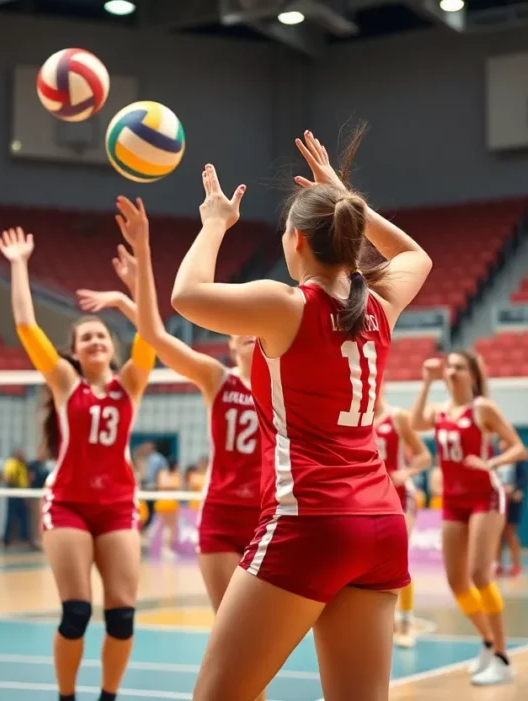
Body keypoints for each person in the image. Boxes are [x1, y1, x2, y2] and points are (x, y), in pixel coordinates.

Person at [174, 128, 432, 701]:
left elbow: (186, 295)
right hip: (380, 524)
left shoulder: (286, 305)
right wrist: (346, 197)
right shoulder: (382, 303)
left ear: (295, 241)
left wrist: (214, 220)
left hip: (310, 519)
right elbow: (416, 255)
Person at [76, 198, 263, 651]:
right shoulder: (217, 377)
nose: (248, 339)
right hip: (220, 518)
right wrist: (137, 268)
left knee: (262, 642)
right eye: (239, 336)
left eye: (255, 333)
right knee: (235, 639)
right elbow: (156, 336)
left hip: (269, 517)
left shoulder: (285, 382)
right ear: (230, 348)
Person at [0, 224, 156, 701]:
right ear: (74, 350)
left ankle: (108, 696)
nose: (94, 342)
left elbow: (151, 330)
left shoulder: (132, 381)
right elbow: (27, 327)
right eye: (85, 337)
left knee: (123, 616)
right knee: (76, 613)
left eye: (101, 335)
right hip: (67, 503)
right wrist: (20, 264)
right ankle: (66, 697)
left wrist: (133, 291)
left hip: (118, 506)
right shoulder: (66, 383)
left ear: (112, 346)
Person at [411, 352, 528, 686]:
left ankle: (503, 657)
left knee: (479, 574)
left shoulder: (483, 409)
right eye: (449, 367)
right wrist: (426, 381)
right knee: (456, 581)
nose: (451, 372)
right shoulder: (440, 411)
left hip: (485, 496)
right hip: (453, 500)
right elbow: (417, 422)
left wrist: (491, 463)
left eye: (459, 368)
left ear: (473, 376)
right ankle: (489, 641)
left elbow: (518, 447)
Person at [372, 388, 431, 648]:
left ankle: (407, 620)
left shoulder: (397, 417)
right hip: (369, 497)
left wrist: (408, 471)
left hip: (399, 495)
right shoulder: (353, 417)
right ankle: (384, 619)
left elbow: (425, 455)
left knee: (399, 555)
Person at [494, 439, 528, 578]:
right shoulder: (494, 457)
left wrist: (515, 489)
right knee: (497, 534)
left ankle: (516, 564)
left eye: (506, 442)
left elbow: (524, 478)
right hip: (497, 500)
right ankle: (497, 563)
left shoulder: (518, 458)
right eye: (501, 442)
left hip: (512, 501)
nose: (503, 444)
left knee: (510, 533)